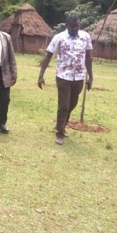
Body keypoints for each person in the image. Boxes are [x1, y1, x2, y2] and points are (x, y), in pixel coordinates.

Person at [38, 15, 93, 145]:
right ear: (67, 25)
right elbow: (48, 56)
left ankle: (61, 125)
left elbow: (88, 58)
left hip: (79, 77)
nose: (75, 29)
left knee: (72, 104)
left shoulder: (85, 37)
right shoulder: (59, 38)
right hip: (63, 76)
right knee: (63, 105)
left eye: (77, 26)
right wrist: (41, 75)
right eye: (72, 26)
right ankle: (59, 132)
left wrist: (91, 77)